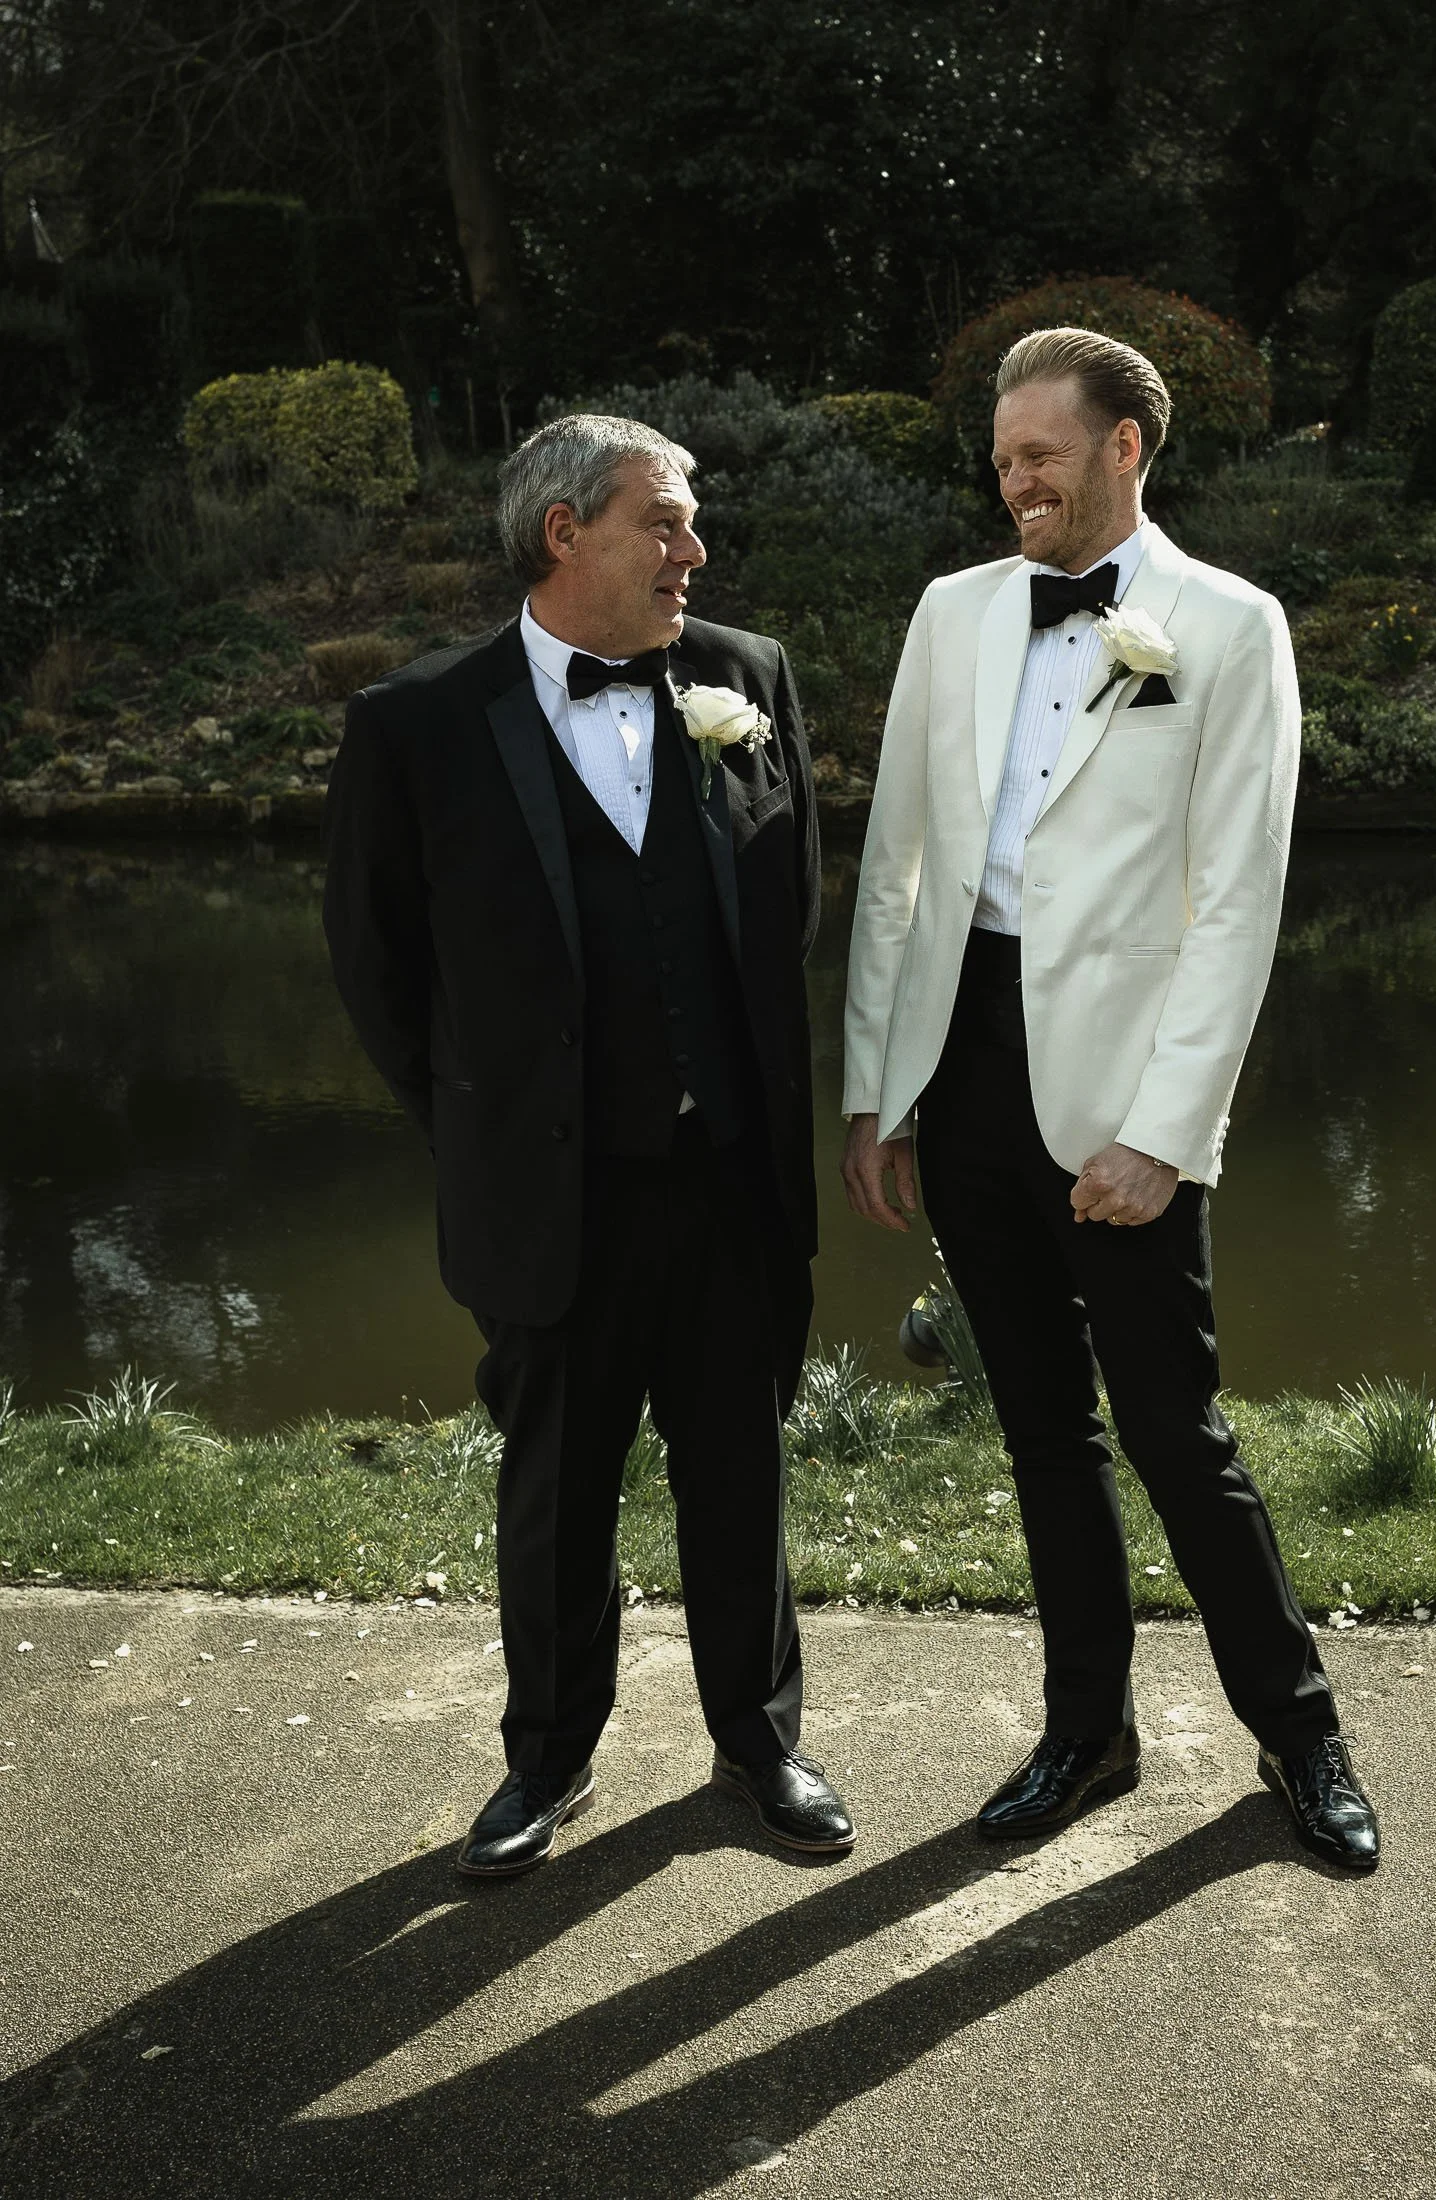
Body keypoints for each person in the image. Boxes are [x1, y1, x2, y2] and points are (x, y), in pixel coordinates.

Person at [840, 329, 1378, 1871]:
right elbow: (898, 872)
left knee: (1173, 1427)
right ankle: (1089, 1734)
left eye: (1040, 456)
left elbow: (1239, 902)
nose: (1013, 479)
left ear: (1127, 447)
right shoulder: (950, 615)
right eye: (1001, 457)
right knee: (1038, 1431)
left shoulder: (1229, 624)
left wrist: (1165, 1132)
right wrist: (881, 1092)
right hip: (967, 1064)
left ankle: (1301, 1736)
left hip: (1123, 1091)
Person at [324, 412, 854, 1875]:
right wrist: (487, 1134)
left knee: (739, 1471)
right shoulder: (418, 725)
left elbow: (786, 908)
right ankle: (547, 1764)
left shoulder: (748, 680)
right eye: (665, 522)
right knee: (556, 1492)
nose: (696, 549)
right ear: (566, 534)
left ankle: (760, 1747)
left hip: (727, 1182)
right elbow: (377, 972)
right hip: (547, 1199)